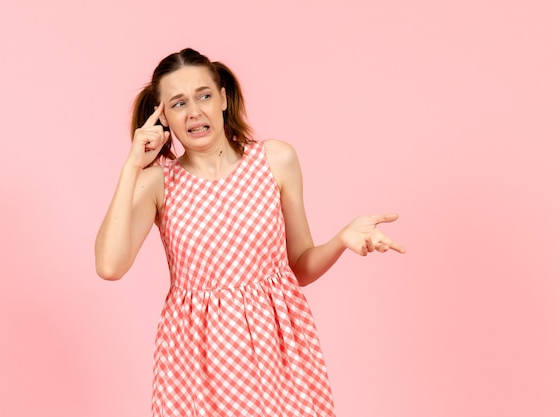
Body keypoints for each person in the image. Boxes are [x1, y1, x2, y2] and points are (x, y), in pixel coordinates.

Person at [95, 48, 405, 417]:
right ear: (162, 117)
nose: (194, 111)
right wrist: (132, 166)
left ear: (224, 98)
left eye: (204, 95)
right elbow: (110, 266)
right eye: (178, 104)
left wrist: (341, 240)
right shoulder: (158, 183)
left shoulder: (275, 160)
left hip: (278, 349)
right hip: (198, 361)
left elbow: (300, 267)